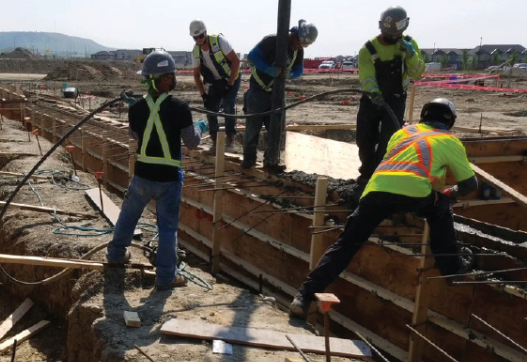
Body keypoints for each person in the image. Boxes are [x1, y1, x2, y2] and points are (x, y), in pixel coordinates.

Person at [289, 98, 477, 317]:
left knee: (345, 245)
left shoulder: (402, 133)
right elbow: (469, 185)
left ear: (423, 116)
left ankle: (303, 296)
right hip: (414, 196)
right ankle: (451, 268)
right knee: (441, 208)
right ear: (450, 121)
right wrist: (449, 194)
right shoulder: (449, 140)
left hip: (376, 191)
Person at [107, 50, 204, 290]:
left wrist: (142, 111)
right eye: (170, 75)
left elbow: (134, 135)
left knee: (128, 216)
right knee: (168, 228)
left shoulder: (136, 109)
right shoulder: (180, 107)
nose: (173, 78)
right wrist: (201, 128)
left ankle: (117, 254)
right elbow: (192, 142)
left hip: (142, 176)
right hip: (169, 180)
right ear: (160, 78)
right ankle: (165, 276)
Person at [356, 6, 426, 185]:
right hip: (371, 100)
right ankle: (366, 171)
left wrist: (411, 55)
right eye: (389, 35)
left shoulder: (409, 45)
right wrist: (374, 94)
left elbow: (416, 73)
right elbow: (367, 77)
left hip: (396, 99)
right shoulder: (368, 49)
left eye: (396, 36)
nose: (393, 39)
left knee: (389, 139)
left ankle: (378, 176)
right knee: (364, 138)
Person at [242, 19, 318, 171]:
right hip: (257, 91)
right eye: (299, 42)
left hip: (276, 94)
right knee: (252, 128)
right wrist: (268, 69)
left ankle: (271, 161)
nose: (299, 46)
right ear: (294, 34)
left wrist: (292, 74)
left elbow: (299, 71)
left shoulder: (298, 51)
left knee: (277, 129)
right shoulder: (272, 41)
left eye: (303, 45)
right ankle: (249, 160)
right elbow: (252, 56)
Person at [189, 20, 241, 153]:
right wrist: (203, 95)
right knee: (210, 109)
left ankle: (230, 139)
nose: (199, 40)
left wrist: (230, 85)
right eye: (196, 37)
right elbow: (196, 75)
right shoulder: (196, 51)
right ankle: (215, 142)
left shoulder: (219, 41)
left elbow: (235, 61)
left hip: (231, 77)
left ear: (205, 33)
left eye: (201, 36)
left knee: (228, 105)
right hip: (216, 82)